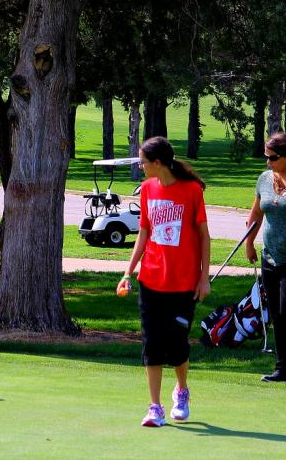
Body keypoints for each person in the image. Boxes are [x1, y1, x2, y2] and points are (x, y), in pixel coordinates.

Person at [116, 136, 210, 427]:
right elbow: (144, 232)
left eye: (143, 162)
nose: (141, 166)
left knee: (177, 345)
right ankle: (154, 406)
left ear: (157, 163)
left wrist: (204, 277)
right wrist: (128, 272)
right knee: (153, 344)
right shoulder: (146, 189)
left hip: (184, 283)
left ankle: (181, 390)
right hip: (151, 280)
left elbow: (204, 236)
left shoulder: (192, 190)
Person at [245, 132, 286, 384]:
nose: (267, 162)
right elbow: (256, 215)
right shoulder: (264, 179)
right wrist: (249, 243)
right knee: (278, 315)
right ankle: (283, 369)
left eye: (272, 157)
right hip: (270, 256)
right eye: (265, 157)